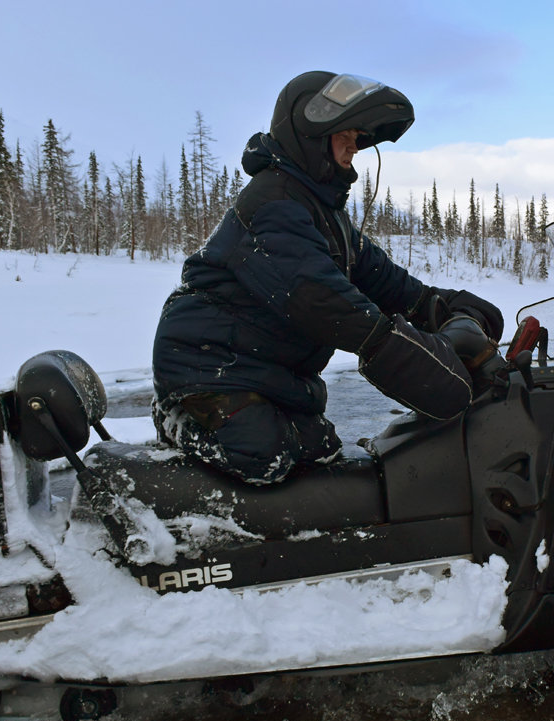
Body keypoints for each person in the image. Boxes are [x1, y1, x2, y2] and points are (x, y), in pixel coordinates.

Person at [152, 71, 504, 485]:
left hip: (271, 378)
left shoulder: (322, 212)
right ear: (312, 135)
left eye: (357, 135)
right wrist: (400, 352)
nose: (354, 144)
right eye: (345, 133)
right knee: (263, 452)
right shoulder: (273, 201)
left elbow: (383, 279)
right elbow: (318, 298)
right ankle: (175, 418)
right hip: (207, 370)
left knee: (318, 449)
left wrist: (440, 306)